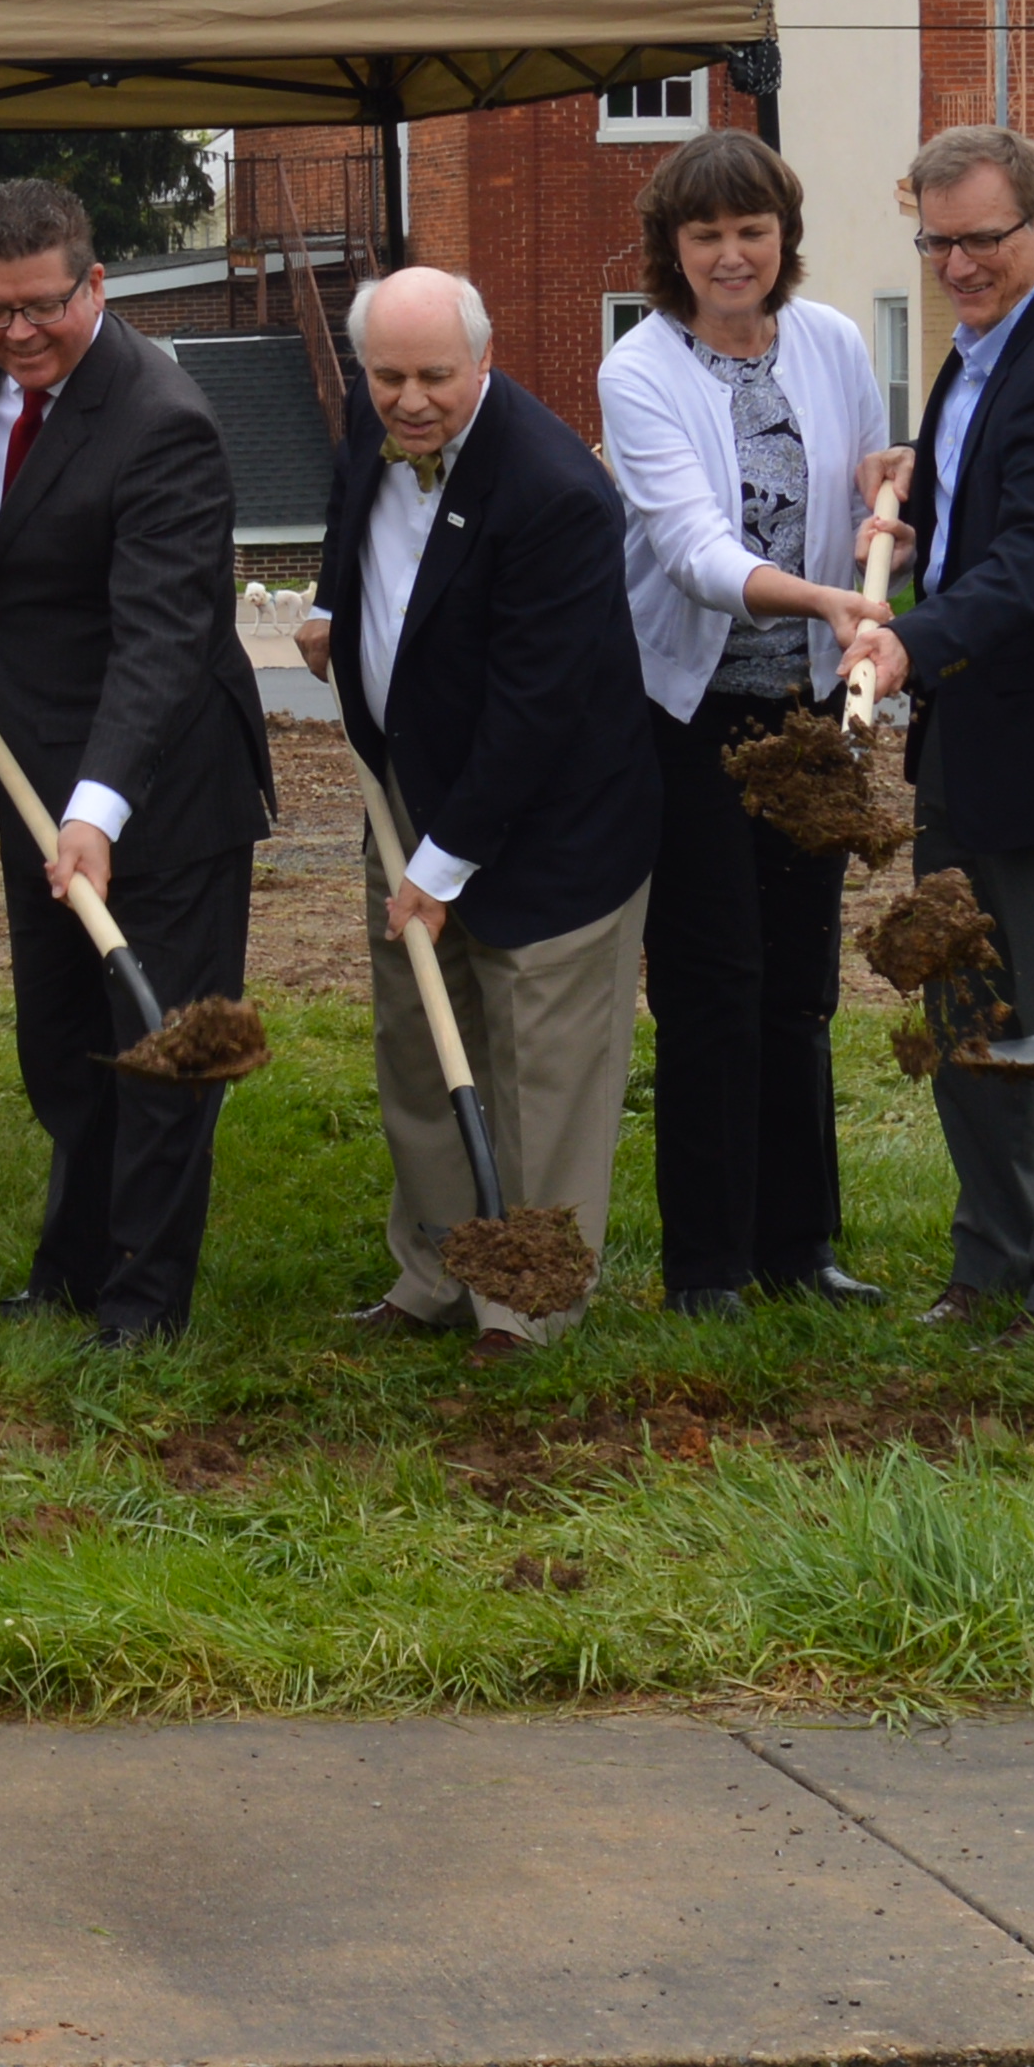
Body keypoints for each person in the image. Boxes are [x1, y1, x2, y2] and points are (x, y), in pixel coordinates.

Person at [0, 179, 270, 1350]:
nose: (16, 333)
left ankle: (143, 1304)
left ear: (95, 284)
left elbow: (162, 639)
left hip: (161, 780)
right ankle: (70, 1263)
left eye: (41, 308)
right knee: (59, 1041)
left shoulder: (163, 421)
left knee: (159, 1049)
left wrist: (98, 811)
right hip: (28, 757)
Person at [289, 269, 662, 1348]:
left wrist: (440, 866)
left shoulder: (555, 493)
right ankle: (439, 1273)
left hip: (554, 822)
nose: (408, 401)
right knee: (419, 1042)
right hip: (412, 785)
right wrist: (330, 605)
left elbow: (534, 709)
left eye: (435, 377)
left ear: (484, 360)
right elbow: (352, 513)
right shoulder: (371, 419)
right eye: (388, 376)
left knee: (540, 1066)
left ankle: (527, 1304)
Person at [847, 125, 1034, 1342]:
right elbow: (989, 519)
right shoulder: (976, 351)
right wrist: (920, 501)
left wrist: (910, 640)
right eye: (936, 242)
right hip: (964, 752)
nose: (958, 264)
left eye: (981, 238)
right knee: (963, 1016)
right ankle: (992, 1258)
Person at [594, 130, 901, 1313]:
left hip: (810, 710)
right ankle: (707, 1265)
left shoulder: (829, 342)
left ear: (784, 235)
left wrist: (887, 495)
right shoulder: (639, 371)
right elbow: (690, 550)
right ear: (671, 248)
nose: (733, 255)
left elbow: (863, 483)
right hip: (690, 716)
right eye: (707, 234)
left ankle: (799, 1247)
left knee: (799, 980)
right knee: (713, 980)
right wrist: (820, 597)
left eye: (753, 231)